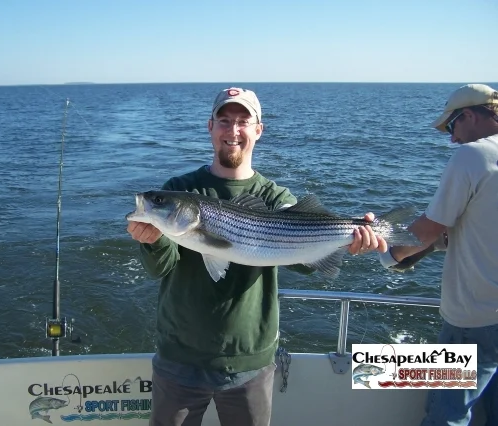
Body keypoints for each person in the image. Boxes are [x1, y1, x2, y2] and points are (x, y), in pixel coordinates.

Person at [128, 87, 387, 426]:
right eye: (224, 120)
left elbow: (305, 266)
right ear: (210, 126)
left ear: (258, 130)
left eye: (243, 122)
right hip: (180, 357)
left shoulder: (275, 196)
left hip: (250, 363)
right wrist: (152, 240)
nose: (233, 130)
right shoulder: (181, 188)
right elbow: (159, 267)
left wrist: (349, 238)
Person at [378, 83, 498, 426]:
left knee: (448, 416)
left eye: (451, 126)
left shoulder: (473, 155)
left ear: (469, 116)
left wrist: (389, 254)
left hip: (476, 319)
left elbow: (429, 229)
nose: (452, 138)